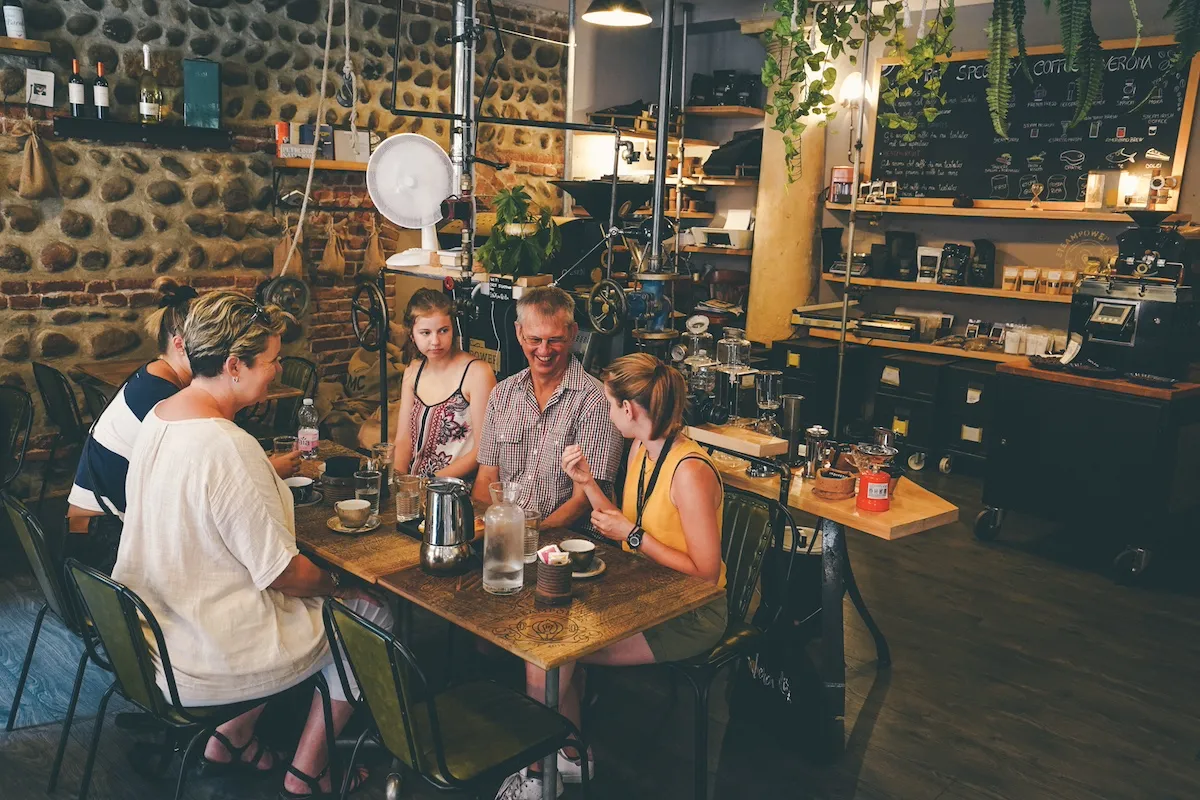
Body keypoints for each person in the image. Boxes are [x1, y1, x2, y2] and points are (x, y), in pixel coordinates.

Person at [113, 291, 388, 798]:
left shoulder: (161, 416)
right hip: (202, 652)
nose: (276, 372)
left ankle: (231, 738)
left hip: (153, 628)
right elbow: (282, 572)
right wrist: (335, 582)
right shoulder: (225, 445)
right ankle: (309, 771)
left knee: (284, 599)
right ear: (234, 365)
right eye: (272, 361)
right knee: (373, 613)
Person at [495, 354, 727, 800]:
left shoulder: (690, 472)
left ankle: (543, 774)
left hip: (691, 613)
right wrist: (585, 481)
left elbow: (705, 573)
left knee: (548, 659)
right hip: (644, 594)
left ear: (631, 410)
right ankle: (569, 758)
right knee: (547, 646)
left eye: (608, 402)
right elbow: (618, 519)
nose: (605, 410)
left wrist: (634, 536)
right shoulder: (643, 449)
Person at [65, 277, 299, 572]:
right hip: (103, 544)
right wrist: (262, 472)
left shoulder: (153, 375)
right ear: (183, 344)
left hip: (98, 530)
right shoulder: (165, 401)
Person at [473, 286, 622, 528]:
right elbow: (486, 479)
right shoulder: (502, 394)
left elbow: (583, 500)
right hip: (505, 533)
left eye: (554, 340)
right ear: (519, 333)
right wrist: (490, 531)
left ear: (572, 333)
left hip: (565, 541)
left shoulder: (595, 402)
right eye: (535, 339)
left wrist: (529, 536)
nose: (543, 350)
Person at [389, 288, 495, 478]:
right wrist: (398, 482)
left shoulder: (477, 373)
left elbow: (483, 450)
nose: (435, 341)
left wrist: (431, 483)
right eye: (425, 333)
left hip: (456, 489)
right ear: (412, 335)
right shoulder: (413, 371)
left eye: (443, 331)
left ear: (453, 330)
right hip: (413, 486)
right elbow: (403, 440)